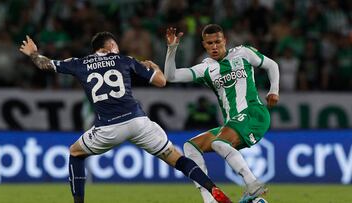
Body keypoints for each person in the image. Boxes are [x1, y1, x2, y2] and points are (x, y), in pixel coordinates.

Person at [19, 32, 232, 203]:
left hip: (108, 128)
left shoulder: (79, 63)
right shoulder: (124, 60)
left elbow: (45, 64)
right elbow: (161, 82)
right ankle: (212, 188)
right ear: (111, 46)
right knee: (177, 159)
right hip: (138, 122)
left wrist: (33, 53)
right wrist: (155, 67)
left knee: (75, 153)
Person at [164, 24, 279, 203]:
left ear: (224, 40)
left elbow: (272, 65)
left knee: (219, 143)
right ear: (204, 45)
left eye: (217, 42)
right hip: (232, 124)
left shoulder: (243, 53)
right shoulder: (206, 69)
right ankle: (210, 199)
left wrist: (274, 90)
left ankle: (252, 183)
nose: (214, 46)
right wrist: (172, 48)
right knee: (190, 147)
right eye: (210, 43)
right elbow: (171, 77)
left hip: (254, 114)